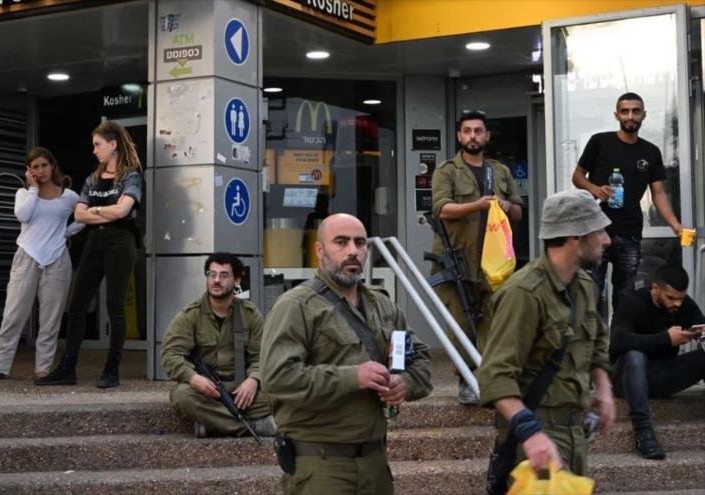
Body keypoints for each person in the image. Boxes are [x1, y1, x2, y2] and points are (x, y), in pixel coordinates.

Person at [261, 213, 433, 495]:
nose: (353, 251)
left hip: (376, 463)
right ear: (320, 251)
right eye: (341, 242)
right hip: (322, 467)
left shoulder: (384, 306)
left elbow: (421, 360)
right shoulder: (296, 306)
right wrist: (353, 377)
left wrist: (405, 384)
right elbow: (277, 378)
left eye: (360, 243)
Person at [477, 189, 615, 481]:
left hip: (575, 430)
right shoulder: (524, 293)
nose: (606, 240)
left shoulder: (584, 286)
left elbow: (598, 340)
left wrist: (603, 388)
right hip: (536, 429)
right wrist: (531, 433)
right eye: (599, 231)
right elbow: (494, 375)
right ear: (575, 236)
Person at [36, 121, 142, 388]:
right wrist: (102, 212)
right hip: (95, 241)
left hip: (121, 241)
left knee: (115, 307)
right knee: (77, 304)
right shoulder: (92, 178)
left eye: (97, 145)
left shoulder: (131, 176)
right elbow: (79, 214)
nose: (94, 150)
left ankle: (111, 370)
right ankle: (68, 367)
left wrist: (94, 212)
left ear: (113, 145)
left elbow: (122, 212)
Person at [430, 110, 523, 405]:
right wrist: (478, 205)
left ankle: (492, 381)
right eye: (467, 131)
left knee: (495, 325)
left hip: (494, 261)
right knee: (461, 326)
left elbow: (520, 212)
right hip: (455, 260)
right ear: (459, 136)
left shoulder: (500, 171)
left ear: (486, 136)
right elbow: (441, 209)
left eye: (478, 131)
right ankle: (467, 381)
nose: (473, 136)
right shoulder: (447, 170)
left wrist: (504, 205)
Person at [572, 92, 688, 311]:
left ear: (644, 115)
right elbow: (577, 176)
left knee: (625, 297)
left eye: (636, 111)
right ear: (617, 115)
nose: (630, 116)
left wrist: (675, 224)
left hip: (630, 232)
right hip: (595, 231)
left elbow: (659, 194)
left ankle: (619, 343)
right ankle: (590, 344)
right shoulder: (600, 142)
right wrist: (595, 189)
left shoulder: (651, 152)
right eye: (625, 111)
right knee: (590, 292)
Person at [0, 147, 82, 382]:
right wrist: (33, 188)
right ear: (29, 170)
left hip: (57, 259)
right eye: (35, 167)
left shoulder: (69, 197)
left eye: (44, 165)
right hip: (27, 256)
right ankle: (0, 367)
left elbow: (84, 217)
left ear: (52, 166)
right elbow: (23, 216)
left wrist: (66, 232)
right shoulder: (23, 194)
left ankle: (42, 369)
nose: (41, 171)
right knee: (13, 315)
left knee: (50, 318)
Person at [160, 252, 276, 438]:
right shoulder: (191, 314)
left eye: (224, 275)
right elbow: (170, 354)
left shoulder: (250, 314)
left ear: (237, 280)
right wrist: (193, 378)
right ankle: (251, 426)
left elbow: (263, 356)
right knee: (182, 396)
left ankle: (212, 423)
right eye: (211, 274)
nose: (216, 280)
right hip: (207, 391)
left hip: (242, 390)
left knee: (283, 393)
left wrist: (253, 380)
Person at [609, 263, 705, 460]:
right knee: (635, 355)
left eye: (681, 298)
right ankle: (643, 433)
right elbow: (617, 342)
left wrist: (701, 335)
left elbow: (700, 325)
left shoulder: (683, 304)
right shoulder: (632, 303)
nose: (677, 304)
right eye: (671, 298)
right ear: (655, 288)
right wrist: (666, 339)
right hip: (625, 378)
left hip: (661, 376)